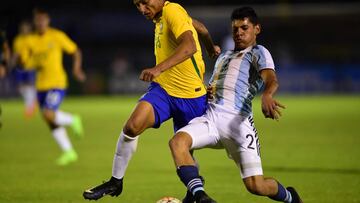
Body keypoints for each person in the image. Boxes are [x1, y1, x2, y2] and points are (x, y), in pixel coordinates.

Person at [83, 0, 220, 202]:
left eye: (145, 3)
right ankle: (115, 181)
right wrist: (209, 45)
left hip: (192, 96)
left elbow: (190, 46)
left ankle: (193, 191)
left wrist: (158, 68)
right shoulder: (160, 17)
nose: (141, 9)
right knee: (132, 126)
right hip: (163, 90)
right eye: (137, 5)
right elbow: (200, 28)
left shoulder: (172, 10)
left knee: (185, 151)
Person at [169, 7, 303, 203]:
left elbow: (271, 79)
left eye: (244, 28)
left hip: (239, 127)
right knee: (178, 142)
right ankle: (199, 195)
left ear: (257, 29)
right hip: (212, 120)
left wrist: (267, 94)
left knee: (256, 186)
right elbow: (198, 29)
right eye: (235, 29)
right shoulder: (224, 56)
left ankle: (291, 197)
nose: (239, 33)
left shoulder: (258, 52)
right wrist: (176, 16)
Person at [20, 8, 86, 166]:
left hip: (57, 83)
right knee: (49, 120)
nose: (41, 23)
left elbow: (76, 51)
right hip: (41, 86)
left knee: (49, 114)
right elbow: (26, 62)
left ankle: (72, 119)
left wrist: (76, 69)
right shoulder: (30, 40)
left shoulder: (56, 36)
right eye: (38, 20)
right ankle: (69, 152)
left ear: (48, 21)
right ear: (35, 22)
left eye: (44, 20)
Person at [12, 20, 37, 118]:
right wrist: (13, 61)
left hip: (30, 66)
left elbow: (35, 51)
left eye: (26, 28)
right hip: (19, 66)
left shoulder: (32, 38)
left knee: (30, 85)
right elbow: (16, 53)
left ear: (29, 29)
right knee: (21, 87)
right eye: (23, 28)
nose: (24, 30)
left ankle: (30, 106)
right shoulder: (17, 40)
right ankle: (32, 102)